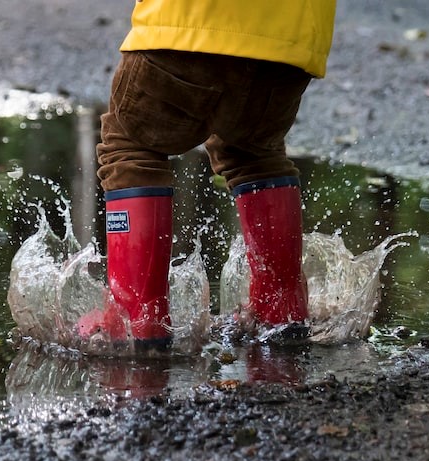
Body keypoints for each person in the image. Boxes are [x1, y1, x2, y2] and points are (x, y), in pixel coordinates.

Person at [79, 0, 337, 351]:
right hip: (290, 43)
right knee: (253, 152)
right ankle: (280, 311)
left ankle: (135, 319)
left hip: (192, 21)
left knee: (130, 146)